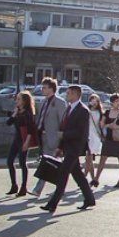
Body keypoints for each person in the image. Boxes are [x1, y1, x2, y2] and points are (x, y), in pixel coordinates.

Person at [41, 85, 96, 214]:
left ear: (75, 94)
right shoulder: (69, 108)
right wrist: (60, 146)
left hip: (75, 147)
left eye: (69, 93)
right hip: (67, 146)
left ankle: (52, 204)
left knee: (63, 173)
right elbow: (64, 127)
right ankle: (89, 198)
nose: (66, 95)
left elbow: (81, 132)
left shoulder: (83, 110)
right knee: (78, 174)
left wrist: (64, 135)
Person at [31, 78, 66, 198]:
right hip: (43, 137)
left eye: (44, 87)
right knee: (52, 164)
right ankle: (58, 189)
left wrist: (60, 139)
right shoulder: (44, 102)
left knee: (47, 163)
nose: (42, 89)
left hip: (53, 138)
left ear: (51, 88)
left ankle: (38, 189)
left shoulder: (60, 102)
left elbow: (63, 122)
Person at [6, 90, 37, 197]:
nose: (17, 101)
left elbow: (31, 130)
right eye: (17, 98)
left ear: (24, 101)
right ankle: (14, 185)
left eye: (19, 99)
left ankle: (23, 187)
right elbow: (8, 123)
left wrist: (26, 143)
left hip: (24, 140)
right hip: (16, 140)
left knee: (22, 163)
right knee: (9, 161)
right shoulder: (18, 112)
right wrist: (14, 113)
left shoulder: (28, 114)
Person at [94, 94, 119, 188]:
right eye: (116, 101)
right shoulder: (107, 112)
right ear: (112, 103)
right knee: (103, 158)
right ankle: (96, 179)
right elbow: (102, 124)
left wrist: (117, 127)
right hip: (108, 139)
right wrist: (106, 125)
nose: (118, 103)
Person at [84, 94, 104, 178]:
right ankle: (92, 178)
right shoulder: (86, 111)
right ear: (90, 101)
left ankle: (84, 176)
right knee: (89, 158)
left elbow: (102, 125)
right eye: (93, 100)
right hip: (87, 135)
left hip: (95, 136)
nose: (94, 102)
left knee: (89, 157)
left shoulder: (100, 112)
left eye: (96, 101)